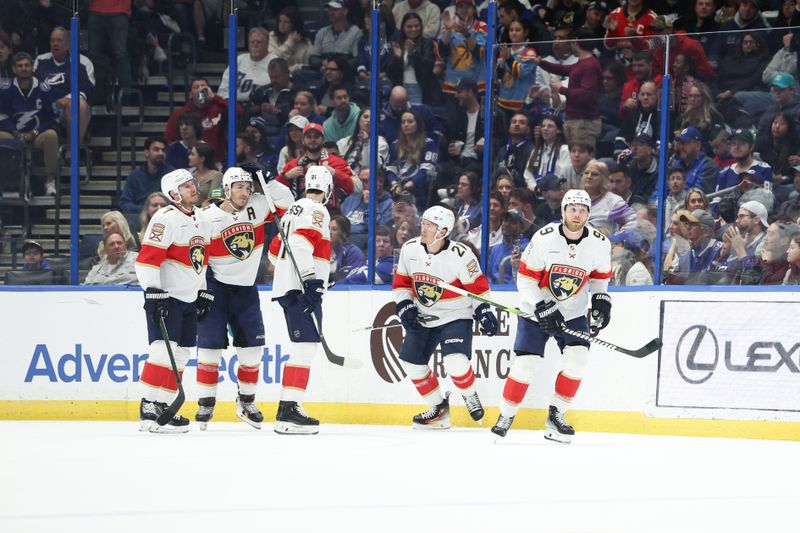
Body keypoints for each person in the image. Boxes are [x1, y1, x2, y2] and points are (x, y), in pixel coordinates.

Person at [491, 189, 612, 442]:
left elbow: (600, 281)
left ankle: (556, 416)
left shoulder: (600, 243)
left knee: (578, 360)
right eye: (572, 209)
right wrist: (542, 306)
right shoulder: (544, 239)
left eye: (582, 210)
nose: (577, 215)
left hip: (573, 312)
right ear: (563, 211)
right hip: (536, 311)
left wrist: (601, 301)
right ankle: (506, 414)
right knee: (526, 365)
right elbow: (525, 281)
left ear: (589, 214)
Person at [195, 166, 293, 430]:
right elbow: (197, 255)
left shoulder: (258, 206)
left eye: (248, 187)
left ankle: (246, 403)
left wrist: (269, 180)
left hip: (246, 289)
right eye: (239, 187)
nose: (245, 192)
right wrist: (199, 289)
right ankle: (206, 404)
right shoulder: (207, 218)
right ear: (226, 190)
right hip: (214, 287)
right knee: (209, 348)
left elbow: (289, 205)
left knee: (252, 349)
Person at [392, 205, 499, 429]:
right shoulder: (410, 249)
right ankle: (439, 409)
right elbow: (402, 284)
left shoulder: (461, 255)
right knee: (411, 363)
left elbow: (478, 289)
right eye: (424, 223)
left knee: (455, 362)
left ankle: (469, 395)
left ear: (442, 231)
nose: (424, 228)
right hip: (423, 316)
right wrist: (405, 306)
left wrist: (484, 310)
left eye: (430, 226)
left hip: (455, 315)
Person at [134, 168, 213, 433]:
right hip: (166, 297)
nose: (193, 187)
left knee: (180, 354)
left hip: (189, 298)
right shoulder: (163, 219)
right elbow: (146, 260)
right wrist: (153, 292)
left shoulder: (202, 218)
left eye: (193, 183)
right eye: (186, 186)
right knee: (161, 350)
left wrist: (203, 290)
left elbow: (200, 260)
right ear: (172, 194)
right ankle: (149, 405)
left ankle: (165, 407)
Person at [267, 166, 334, 435]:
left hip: (289, 288)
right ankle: (288, 410)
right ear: (327, 189)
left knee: (303, 348)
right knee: (305, 349)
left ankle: (289, 407)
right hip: (301, 288)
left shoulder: (293, 209)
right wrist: (312, 281)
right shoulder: (318, 210)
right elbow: (299, 245)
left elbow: (274, 254)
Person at [0, 52, 59, 196]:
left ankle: (50, 181)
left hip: (37, 135)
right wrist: (15, 133)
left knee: (51, 135)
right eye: (19, 66)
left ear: (32, 67)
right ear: (14, 69)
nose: (23, 68)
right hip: (14, 135)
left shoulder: (45, 89)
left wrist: (34, 133)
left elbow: (52, 118)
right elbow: (2, 115)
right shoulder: (5, 90)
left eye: (27, 65)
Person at [532, 28, 603, 148]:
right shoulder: (582, 62)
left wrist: (561, 89)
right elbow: (564, 69)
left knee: (582, 159)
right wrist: (541, 63)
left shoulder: (590, 65)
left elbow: (586, 94)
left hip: (583, 122)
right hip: (575, 120)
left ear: (576, 42)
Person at [276, 122, 360, 216]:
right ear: (303, 140)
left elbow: (358, 187)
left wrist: (335, 173)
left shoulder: (336, 162)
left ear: (323, 140)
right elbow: (274, 192)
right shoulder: (293, 165)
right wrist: (286, 176)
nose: (312, 139)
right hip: (300, 216)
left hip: (330, 216)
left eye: (316, 136)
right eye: (309, 137)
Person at [34, 27, 94, 149]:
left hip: (67, 109)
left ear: (68, 44)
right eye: (52, 40)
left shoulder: (82, 62)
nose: (55, 43)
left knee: (79, 105)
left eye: (59, 40)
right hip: (44, 107)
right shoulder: (40, 60)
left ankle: (72, 153)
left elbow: (89, 88)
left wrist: (68, 98)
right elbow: (33, 85)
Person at [165, 77, 240, 162]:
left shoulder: (217, 109)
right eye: (196, 87)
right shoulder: (181, 114)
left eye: (203, 86)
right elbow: (169, 138)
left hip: (215, 161)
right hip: (189, 161)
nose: (200, 89)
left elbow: (239, 112)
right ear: (191, 94)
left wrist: (214, 97)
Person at [385, 109, 439, 212]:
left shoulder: (429, 144)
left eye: (410, 122)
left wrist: (407, 186)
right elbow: (390, 169)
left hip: (419, 192)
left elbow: (426, 170)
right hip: (397, 190)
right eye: (403, 122)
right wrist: (394, 184)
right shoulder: (395, 145)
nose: (406, 125)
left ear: (418, 124)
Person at [437, 0, 488, 98]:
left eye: (467, 6)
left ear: (473, 9)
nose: (464, 9)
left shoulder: (481, 26)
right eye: (461, 6)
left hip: (476, 87)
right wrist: (448, 30)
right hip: (452, 86)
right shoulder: (449, 27)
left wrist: (466, 33)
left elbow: (479, 54)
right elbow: (441, 53)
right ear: (456, 10)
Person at [386, 12, 439, 105]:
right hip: (401, 89)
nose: (413, 29)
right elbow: (390, 73)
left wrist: (412, 53)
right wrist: (397, 58)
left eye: (416, 26)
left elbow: (427, 68)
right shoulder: (397, 44)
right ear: (403, 28)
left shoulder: (427, 44)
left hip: (420, 89)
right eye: (409, 27)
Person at [217, 27, 276, 103]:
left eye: (259, 42)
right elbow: (223, 89)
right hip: (234, 105)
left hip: (261, 107)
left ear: (267, 44)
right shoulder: (238, 60)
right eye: (252, 42)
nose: (255, 45)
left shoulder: (275, 62)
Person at [119, 136, 175, 214]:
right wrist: (146, 209)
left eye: (163, 150)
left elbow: (179, 202)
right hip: (140, 216)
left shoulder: (172, 174)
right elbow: (124, 203)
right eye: (156, 150)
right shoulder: (135, 175)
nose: (160, 153)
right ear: (146, 153)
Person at [581, 159, 637, 234]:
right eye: (586, 173)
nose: (589, 176)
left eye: (594, 174)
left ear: (604, 178)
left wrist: (617, 238)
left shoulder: (613, 201)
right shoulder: (575, 198)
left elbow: (633, 221)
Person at [341, 168, 393, 248]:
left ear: (380, 182)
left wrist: (370, 204)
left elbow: (380, 230)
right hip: (343, 238)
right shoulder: (351, 198)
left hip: (363, 243)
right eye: (359, 181)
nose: (360, 185)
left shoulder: (389, 204)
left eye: (365, 181)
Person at [337, 108, 389, 175]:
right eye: (365, 117)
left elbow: (373, 166)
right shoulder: (343, 142)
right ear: (358, 119)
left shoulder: (381, 143)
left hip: (368, 182)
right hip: (345, 180)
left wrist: (366, 143)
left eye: (372, 118)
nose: (368, 120)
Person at [523, 115, 570, 189]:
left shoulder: (564, 150)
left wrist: (551, 187)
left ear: (559, 130)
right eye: (543, 126)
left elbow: (565, 173)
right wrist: (535, 187)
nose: (545, 129)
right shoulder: (535, 151)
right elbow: (528, 173)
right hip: (536, 192)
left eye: (550, 126)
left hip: (557, 191)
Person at [671, 126, 719, 193]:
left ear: (698, 145)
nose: (681, 147)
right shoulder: (676, 165)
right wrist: (655, 202)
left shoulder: (708, 165)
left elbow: (697, 196)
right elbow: (662, 189)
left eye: (686, 143)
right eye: (680, 143)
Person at [487, 209, 530, 284]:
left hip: (513, 292)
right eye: (505, 220)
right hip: (494, 291)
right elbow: (488, 275)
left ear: (522, 227)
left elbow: (524, 277)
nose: (506, 224)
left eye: (512, 222)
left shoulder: (527, 248)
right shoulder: (495, 249)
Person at [493, 112, 533, 188]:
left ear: (528, 130)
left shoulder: (531, 150)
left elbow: (528, 180)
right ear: (509, 127)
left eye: (522, 122)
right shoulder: (503, 150)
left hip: (521, 193)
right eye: (514, 122)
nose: (517, 124)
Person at [268, 6, 312, 73]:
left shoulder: (305, 42)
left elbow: (307, 66)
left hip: (298, 77)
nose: (281, 25)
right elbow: (273, 61)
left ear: (294, 24)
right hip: (277, 75)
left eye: (286, 22)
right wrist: (290, 42)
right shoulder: (272, 36)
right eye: (280, 21)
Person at [329, 214, 366, 282]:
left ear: (344, 233)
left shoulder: (354, 253)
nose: (329, 232)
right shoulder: (320, 250)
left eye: (334, 229)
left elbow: (354, 280)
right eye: (328, 228)